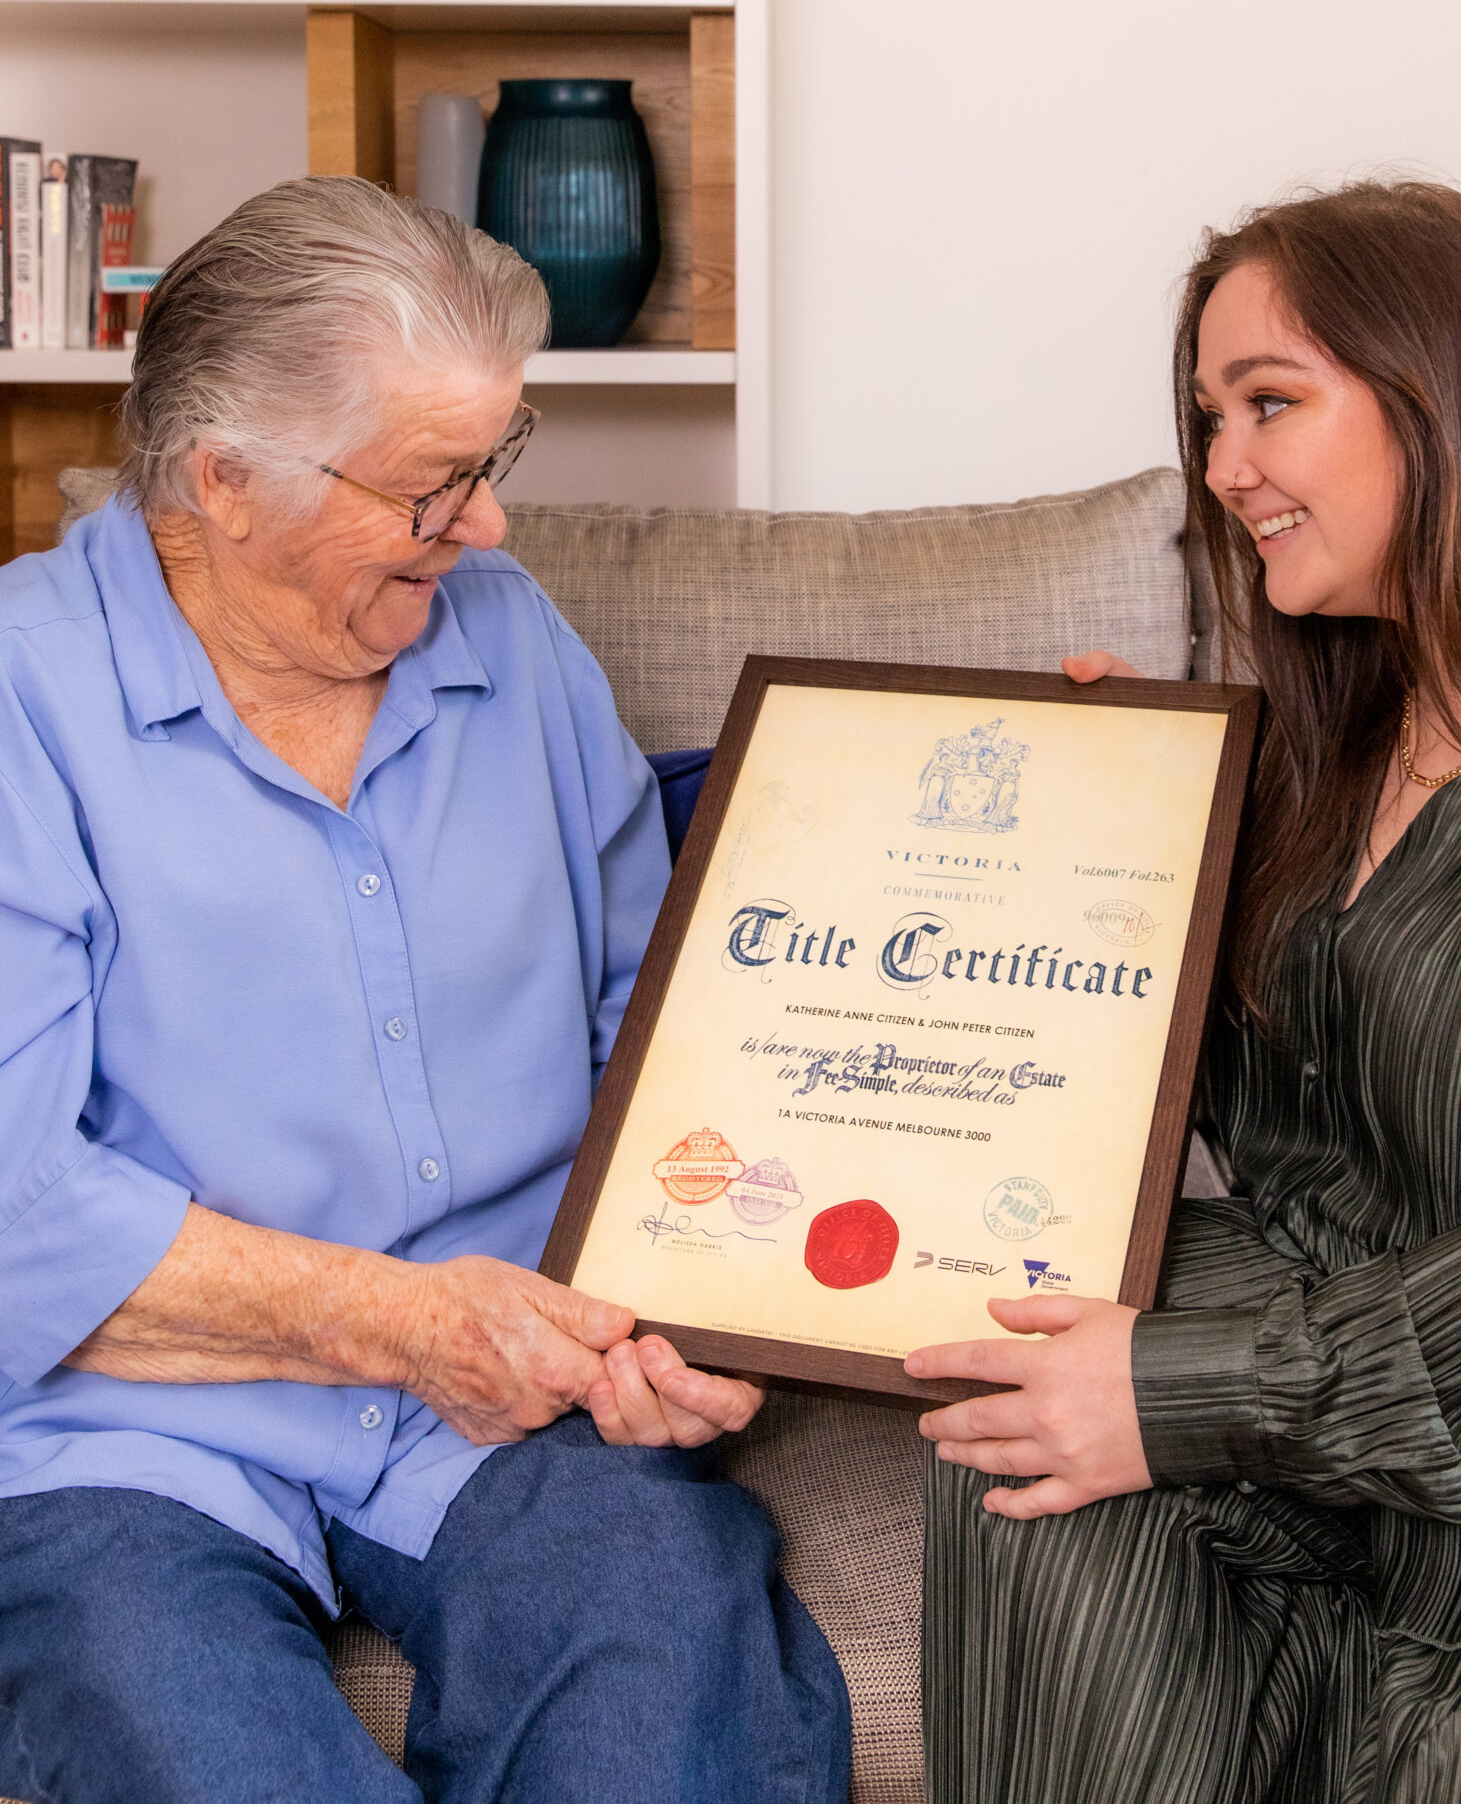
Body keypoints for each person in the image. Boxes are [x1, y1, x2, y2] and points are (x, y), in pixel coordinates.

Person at [0, 179, 849, 1804]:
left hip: (519, 1399)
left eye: (493, 463)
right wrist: (409, 1326)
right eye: (430, 484)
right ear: (220, 483)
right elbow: (19, 1209)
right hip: (129, 1431)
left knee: (667, 1684)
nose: (488, 529)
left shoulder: (511, 642)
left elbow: (657, 1034)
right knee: (183, 1741)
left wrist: (681, 1294)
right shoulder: (23, 699)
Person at [908, 180, 1461, 1802]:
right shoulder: (1324, 751)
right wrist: (1124, 837)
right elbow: (1250, 1132)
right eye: (1212, 417)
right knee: (1015, 1420)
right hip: (1303, 1446)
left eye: (1271, 402)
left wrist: (1180, 1392)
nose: (1223, 470)